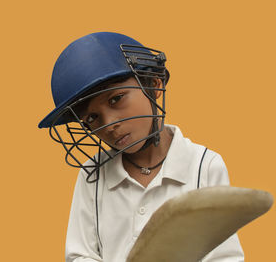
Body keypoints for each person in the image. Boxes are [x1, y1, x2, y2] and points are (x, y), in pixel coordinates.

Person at [38, 32, 244, 262]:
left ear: (153, 85)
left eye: (116, 99)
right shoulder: (93, 174)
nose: (109, 125)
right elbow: (79, 255)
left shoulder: (204, 165)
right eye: (92, 118)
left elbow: (224, 257)